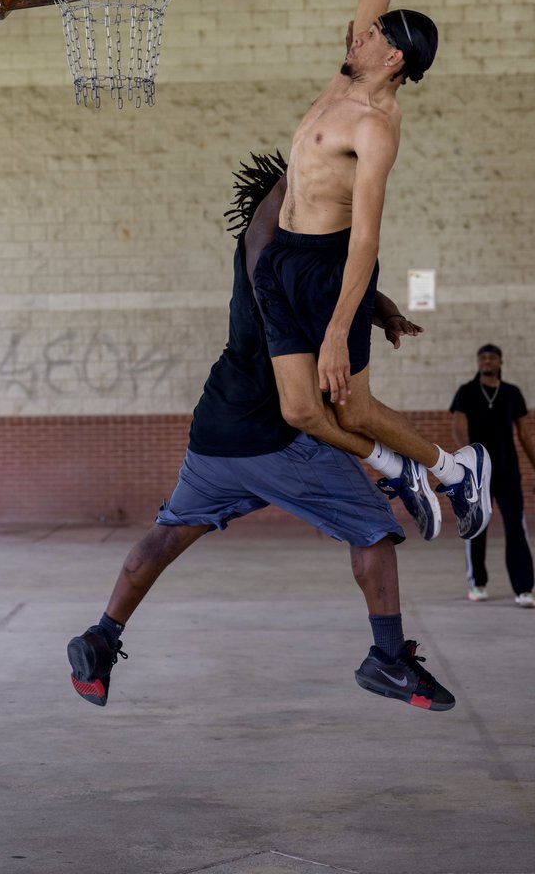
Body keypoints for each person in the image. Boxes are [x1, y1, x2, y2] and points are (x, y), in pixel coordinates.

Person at [67, 154, 457, 715]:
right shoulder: (266, 238)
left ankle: (103, 636)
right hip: (278, 438)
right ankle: (389, 658)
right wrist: (300, 170)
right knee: (373, 530)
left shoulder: (296, 253)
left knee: (170, 533)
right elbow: (279, 248)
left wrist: (386, 311)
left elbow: (338, 290)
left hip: (217, 433)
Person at [252, 0, 491, 542]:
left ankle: (454, 468)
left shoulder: (377, 125)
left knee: (349, 408)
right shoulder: (343, 79)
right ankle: (406, 468)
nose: (357, 33)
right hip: (284, 260)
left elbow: (366, 237)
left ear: (394, 57)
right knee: (300, 412)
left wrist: (336, 332)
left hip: (329, 265)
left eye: (372, 35)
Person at [451, 344, 535, 608]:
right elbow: (457, 425)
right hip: (478, 471)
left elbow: (524, 433)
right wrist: (466, 460)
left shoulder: (512, 393)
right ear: (478, 362)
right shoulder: (466, 392)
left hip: (508, 471)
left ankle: (524, 589)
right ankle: (477, 583)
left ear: (501, 361)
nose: (486, 361)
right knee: (477, 525)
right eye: (482, 357)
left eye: (491, 357)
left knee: (516, 527)